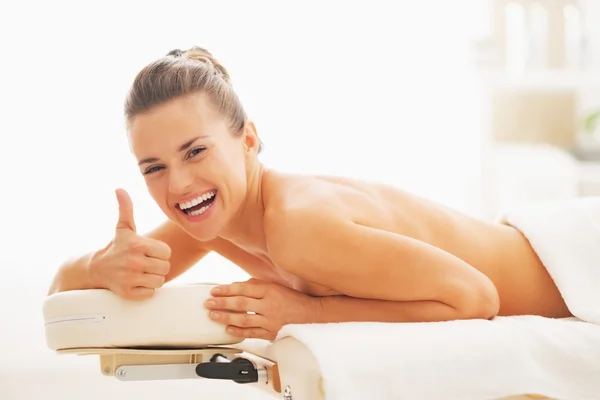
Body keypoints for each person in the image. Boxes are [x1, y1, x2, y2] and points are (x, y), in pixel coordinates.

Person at [48, 46, 572, 340]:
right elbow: (58, 298)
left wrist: (309, 313)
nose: (178, 185)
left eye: (195, 152)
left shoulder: (297, 226)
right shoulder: (212, 222)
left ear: (247, 140)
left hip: (573, 270)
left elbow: (476, 298)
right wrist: (98, 266)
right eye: (154, 167)